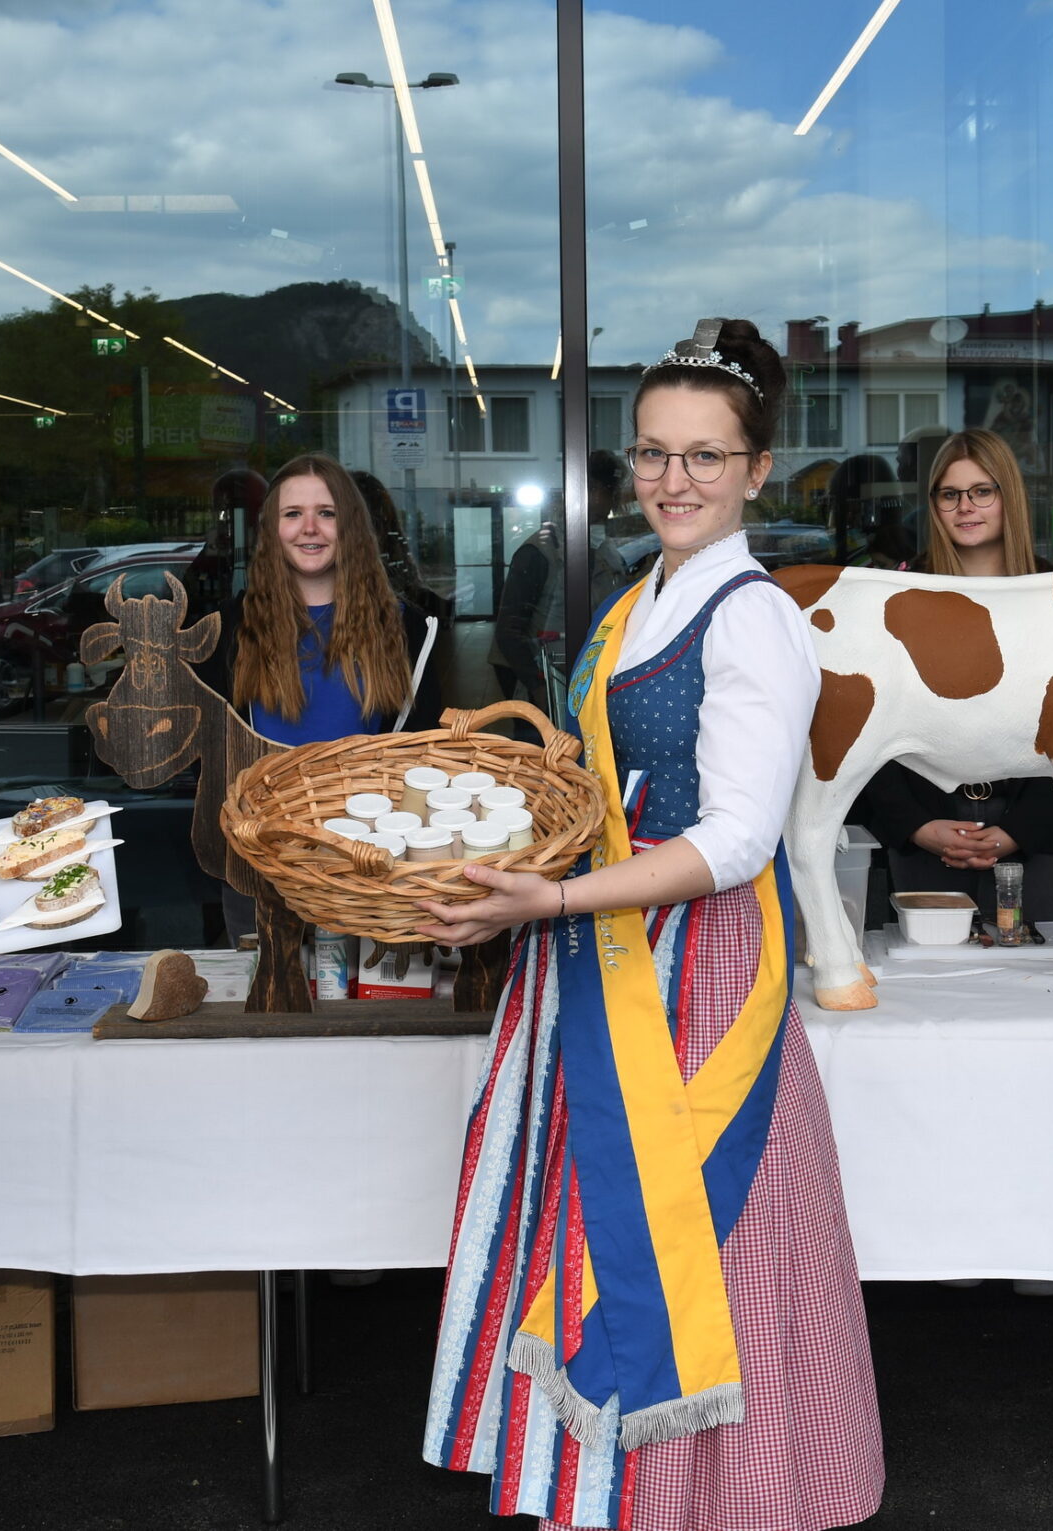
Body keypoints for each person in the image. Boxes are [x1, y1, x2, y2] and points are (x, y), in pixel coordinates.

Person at [417, 319, 884, 1530]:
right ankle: (612, 1495)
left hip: (696, 968)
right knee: (602, 1212)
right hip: (601, 947)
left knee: (696, 1223)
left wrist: (555, 900)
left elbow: (737, 841)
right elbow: (599, 789)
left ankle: (725, 1502)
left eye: (705, 457)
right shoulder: (647, 595)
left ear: (755, 471)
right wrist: (506, 876)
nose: (674, 480)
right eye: (653, 455)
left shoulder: (753, 617)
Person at [852, 428, 1053, 927]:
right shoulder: (902, 595)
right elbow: (867, 720)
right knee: (927, 990)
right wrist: (915, 825)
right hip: (926, 831)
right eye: (950, 494)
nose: (965, 507)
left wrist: (1019, 829)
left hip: (1029, 839)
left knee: (1038, 986)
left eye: (982, 491)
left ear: (1008, 497)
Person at [215, 452, 443, 939]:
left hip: (366, 867)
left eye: (327, 513)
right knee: (268, 1003)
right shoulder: (232, 628)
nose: (309, 529)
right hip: (262, 859)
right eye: (293, 514)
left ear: (352, 527)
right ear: (271, 530)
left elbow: (425, 760)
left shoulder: (408, 629)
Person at [492, 449, 637, 713]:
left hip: (587, 678)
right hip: (544, 681)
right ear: (589, 490)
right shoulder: (539, 552)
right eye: (610, 495)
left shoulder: (605, 550)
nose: (613, 506)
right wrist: (539, 690)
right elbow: (508, 634)